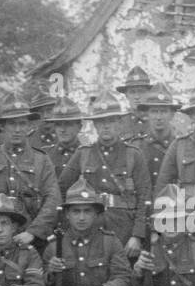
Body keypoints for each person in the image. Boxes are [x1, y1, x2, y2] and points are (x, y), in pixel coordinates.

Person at [58, 91, 151, 258]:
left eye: (110, 121)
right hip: (90, 227)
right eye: (101, 122)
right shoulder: (83, 153)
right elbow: (60, 190)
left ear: (120, 123)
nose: (106, 126)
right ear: (95, 125)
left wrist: (137, 235)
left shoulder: (133, 155)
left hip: (124, 227)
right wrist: (69, 226)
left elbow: (145, 198)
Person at [0, 95, 62, 251]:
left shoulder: (42, 160)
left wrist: (33, 233)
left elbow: (53, 200)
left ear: (29, 126)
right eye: (12, 124)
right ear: (4, 126)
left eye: (22, 123)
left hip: (32, 243)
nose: (17, 129)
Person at [127, 83, 179, 181]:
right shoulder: (136, 146)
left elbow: (182, 183)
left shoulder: (180, 146)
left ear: (172, 115)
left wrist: (179, 197)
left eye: (163, 111)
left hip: (174, 196)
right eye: (154, 111)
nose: (159, 117)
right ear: (147, 114)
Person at [43, 97, 84, 176]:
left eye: (68, 124)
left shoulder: (87, 154)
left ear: (79, 127)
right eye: (58, 124)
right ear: (54, 127)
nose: (62, 129)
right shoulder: (45, 155)